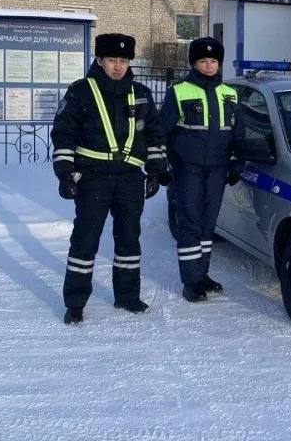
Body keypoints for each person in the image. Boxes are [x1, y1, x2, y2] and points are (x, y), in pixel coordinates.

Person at [51, 33, 170, 325]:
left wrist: (155, 170)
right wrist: (65, 173)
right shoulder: (80, 92)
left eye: (123, 60)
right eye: (112, 60)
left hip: (130, 177)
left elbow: (154, 134)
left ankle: (128, 296)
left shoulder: (141, 93)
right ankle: (75, 303)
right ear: (100, 60)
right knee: (85, 240)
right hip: (93, 177)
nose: (118, 66)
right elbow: (64, 133)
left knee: (129, 239)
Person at [160, 37, 242, 303]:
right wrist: (161, 165)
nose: (209, 65)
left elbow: (238, 133)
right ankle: (190, 281)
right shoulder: (179, 92)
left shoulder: (230, 93)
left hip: (217, 170)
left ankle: (202, 274)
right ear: (194, 63)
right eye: (203, 61)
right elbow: (161, 131)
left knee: (208, 225)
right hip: (188, 169)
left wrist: (236, 163)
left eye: (213, 61)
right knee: (190, 224)